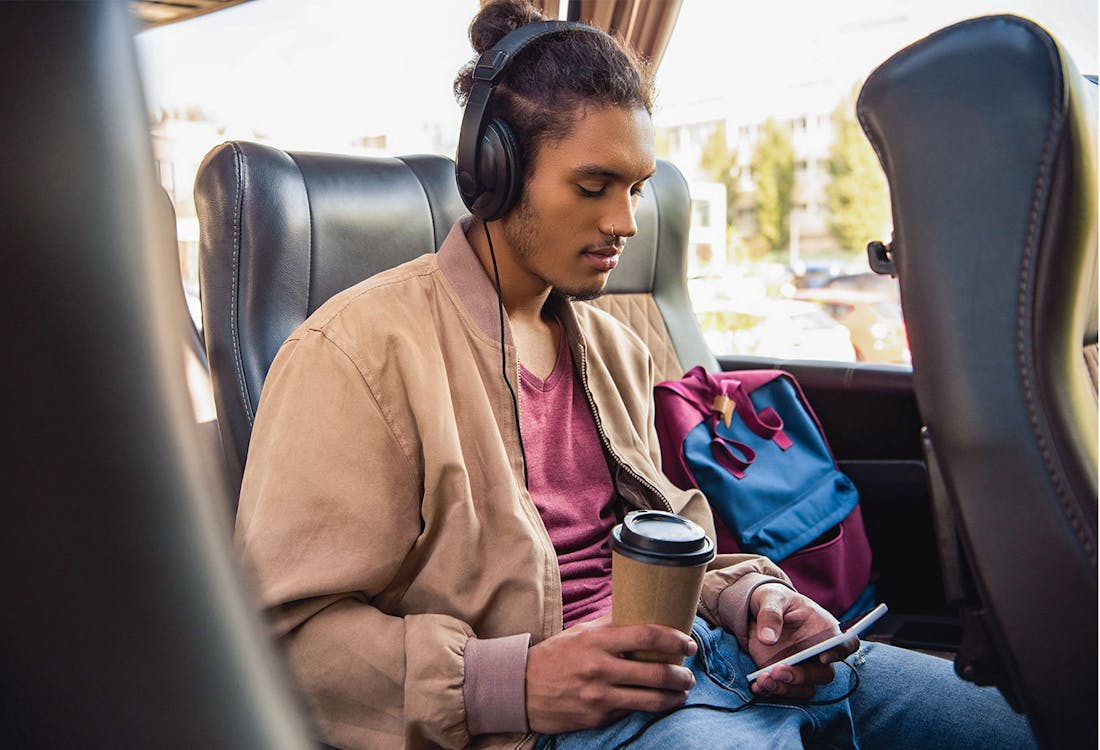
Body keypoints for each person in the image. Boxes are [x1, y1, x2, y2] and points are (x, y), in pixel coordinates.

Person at [235, 2, 1037, 748]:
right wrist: (510, 682)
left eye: (636, 189)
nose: (624, 221)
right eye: (593, 186)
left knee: (1030, 721)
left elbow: (677, 542)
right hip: (571, 722)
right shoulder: (353, 355)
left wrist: (754, 600)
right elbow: (284, 639)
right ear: (497, 173)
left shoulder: (610, 346)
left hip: (717, 660)